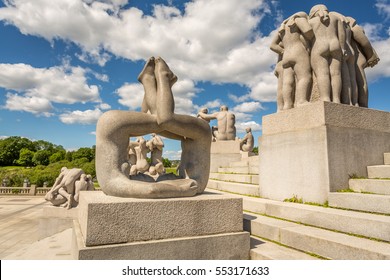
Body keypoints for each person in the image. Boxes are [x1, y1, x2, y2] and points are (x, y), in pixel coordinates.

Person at [270, 11, 313, 109]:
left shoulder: (283, 27)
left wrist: (282, 51)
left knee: (287, 81)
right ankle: (302, 101)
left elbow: (272, 46)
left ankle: (287, 105)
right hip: (298, 51)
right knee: (304, 77)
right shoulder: (298, 19)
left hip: (286, 55)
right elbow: (309, 32)